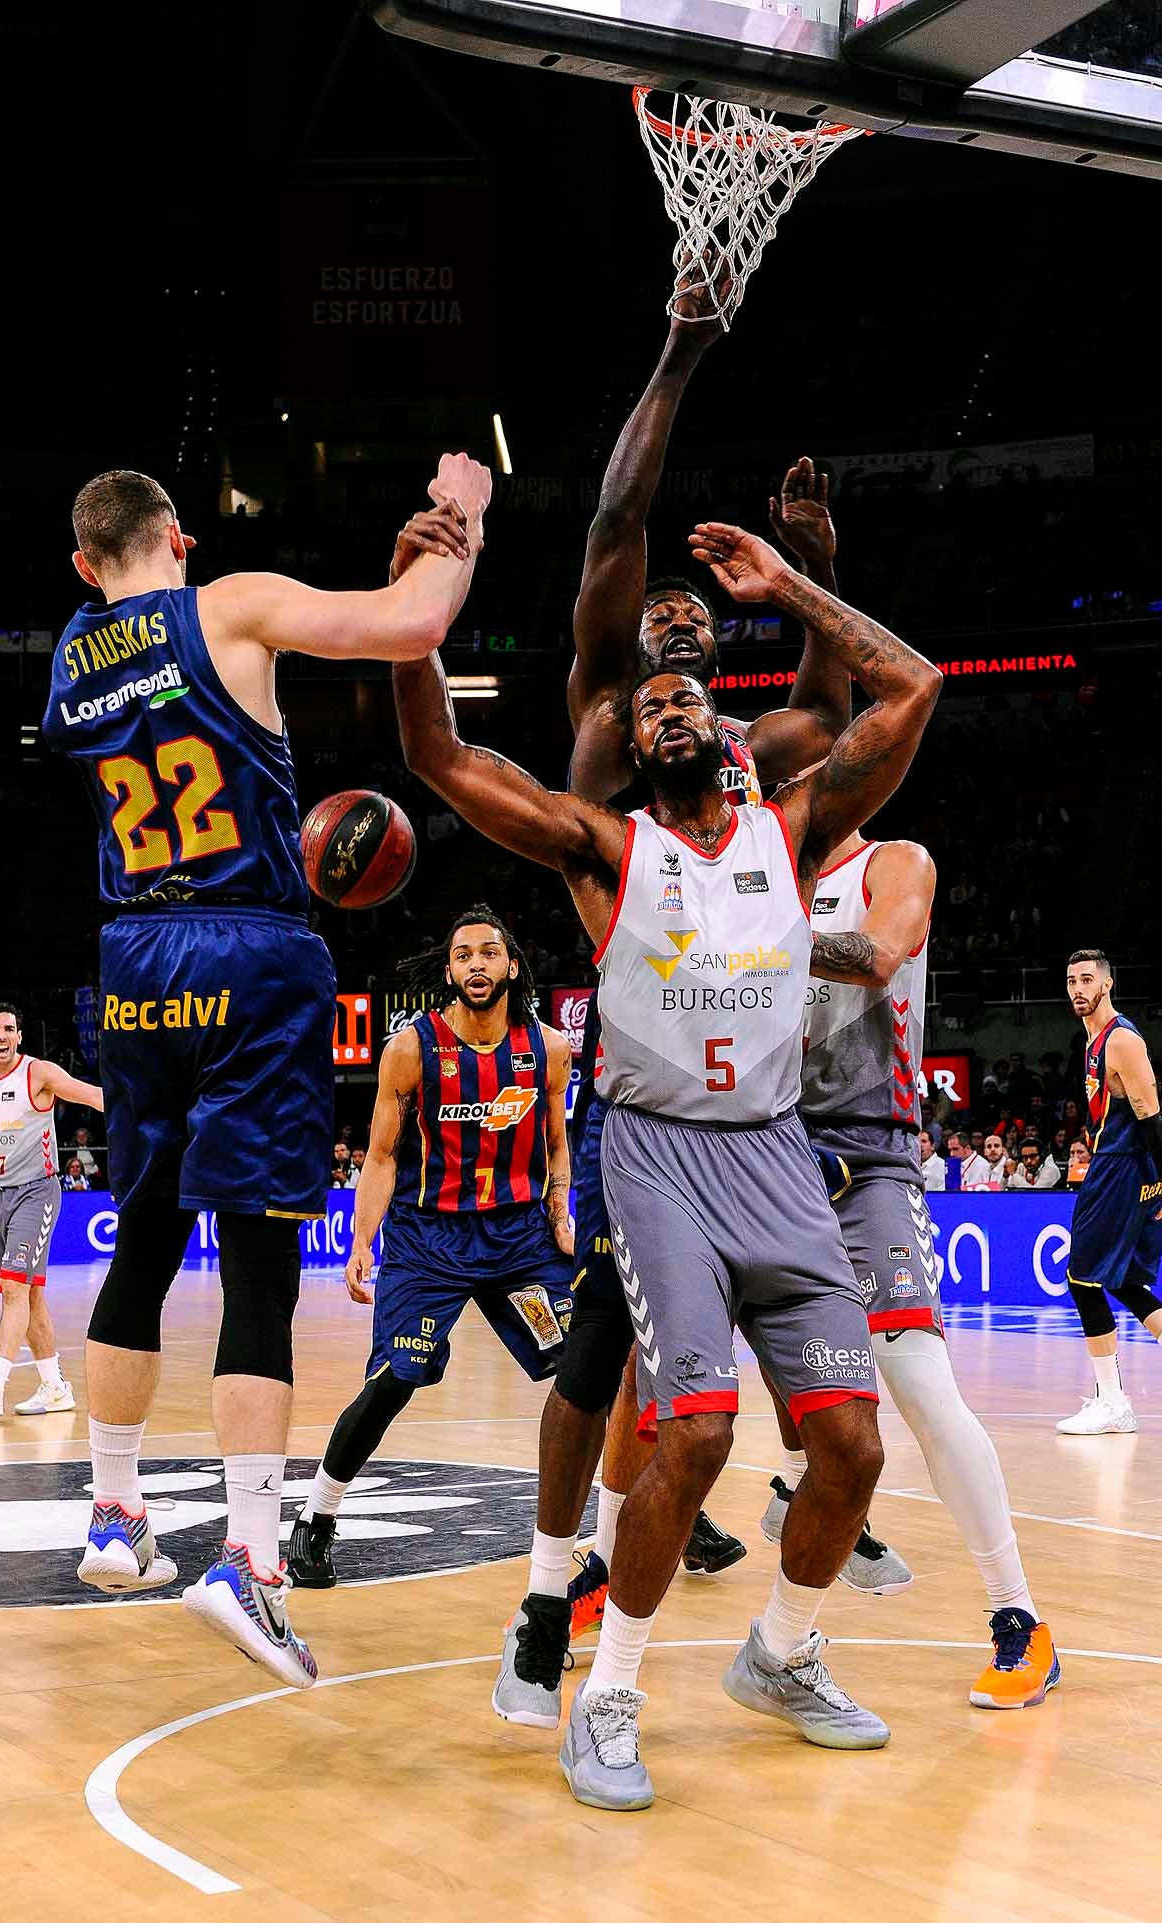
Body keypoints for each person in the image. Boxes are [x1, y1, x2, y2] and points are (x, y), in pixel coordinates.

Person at [393, 509, 941, 1809]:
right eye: (653, 706)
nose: (675, 708)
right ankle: (610, 1695)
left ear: (732, 736)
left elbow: (913, 685)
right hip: (654, 1157)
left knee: (851, 1446)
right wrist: (415, 622)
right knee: (693, 1426)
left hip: (773, 1155)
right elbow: (436, 750)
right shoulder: (605, 846)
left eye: (697, 696)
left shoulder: (789, 829)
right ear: (631, 747)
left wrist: (799, 585)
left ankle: (784, 1653)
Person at [40, 454, 490, 1688]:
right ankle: (248, 1558)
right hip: (252, 941)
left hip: (132, 953)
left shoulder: (69, 659)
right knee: (254, 1257)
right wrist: (462, 520)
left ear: (86, 566)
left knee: (139, 1236)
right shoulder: (225, 604)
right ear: (179, 539)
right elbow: (414, 625)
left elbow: (113, 634)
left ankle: (118, 1520)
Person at [524, 303, 856, 1654]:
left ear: (715, 651)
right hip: (634, 1092)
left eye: (689, 622)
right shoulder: (610, 713)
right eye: (653, 614)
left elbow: (838, 709)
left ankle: (630, 1563)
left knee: (675, 1395)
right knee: (600, 1352)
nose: (672, 627)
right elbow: (615, 530)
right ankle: (551, 1591)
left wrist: (818, 567)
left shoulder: (747, 751)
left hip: (739, 1097)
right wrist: (676, 353)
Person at [772, 829, 1057, 1708]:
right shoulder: (755, 867)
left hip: (867, 1154)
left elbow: (882, 950)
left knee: (922, 1387)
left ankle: (1020, 1619)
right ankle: (577, 1591)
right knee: (680, 1374)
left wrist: (746, 933)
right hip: (768, 1152)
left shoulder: (894, 860)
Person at [287, 909, 575, 1587]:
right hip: (429, 1240)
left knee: (588, 1371)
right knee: (394, 1379)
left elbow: (556, 1145)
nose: (476, 964)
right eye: (463, 954)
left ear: (511, 965)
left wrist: (560, 1209)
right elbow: (382, 1157)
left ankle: (653, 1511)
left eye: (489, 952)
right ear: (449, 970)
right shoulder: (410, 1048)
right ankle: (316, 1518)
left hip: (519, 1239)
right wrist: (362, 1240)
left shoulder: (549, 1048)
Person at [0, 1003, 103, 1418]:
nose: (1, 1036)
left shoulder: (38, 1073)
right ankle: (54, 1387)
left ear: (20, 1036)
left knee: (14, 1290)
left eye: (9, 1029)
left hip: (35, 1192)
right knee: (29, 1294)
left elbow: (95, 1097)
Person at [1056, 950, 1162, 1436]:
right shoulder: (1092, 1039)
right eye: (1072, 981)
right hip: (1115, 1165)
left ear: (1108, 984)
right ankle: (1112, 1400)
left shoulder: (1120, 1039)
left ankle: (1113, 1402)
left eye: (1087, 980)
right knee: (1118, 1280)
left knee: (1082, 1280)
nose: (1079, 988)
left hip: (1123, 1170)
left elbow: (1153, 1118)